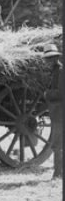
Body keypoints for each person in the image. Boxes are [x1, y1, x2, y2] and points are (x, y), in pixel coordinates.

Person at [42, 44, 62, 180]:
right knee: (57, 144)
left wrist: (46, 94)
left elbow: (61, 92)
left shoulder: (61, 72)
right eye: (47, 59)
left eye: (51, 58)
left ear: (56, 58)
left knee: (58, 144)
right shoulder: (55, 72)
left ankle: (58, 174)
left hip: (61, 114)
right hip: (57, 114)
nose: (49, 62)